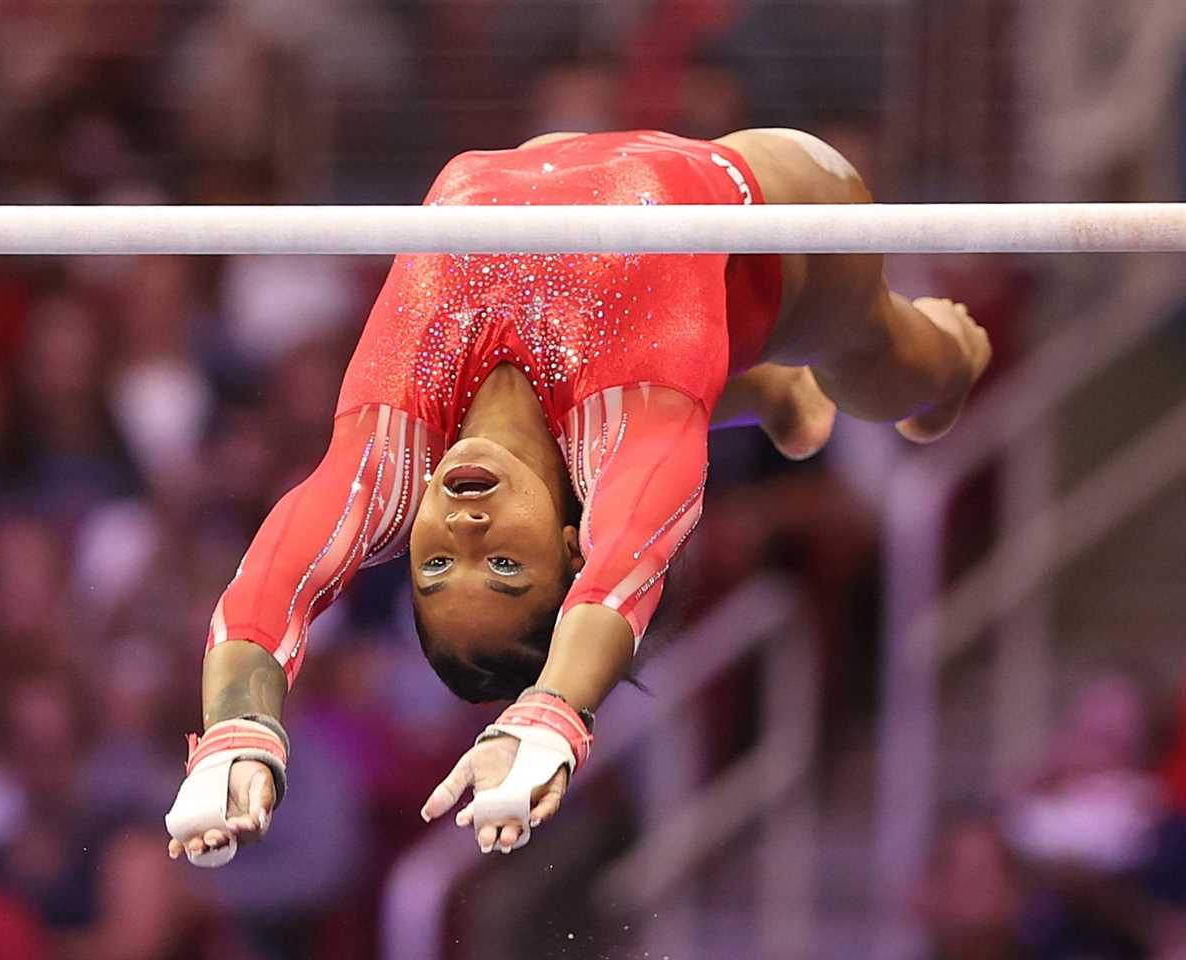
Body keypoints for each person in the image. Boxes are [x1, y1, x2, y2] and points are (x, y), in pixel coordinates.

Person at [166, 128, 991, 864]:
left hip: (568, 173)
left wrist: (238, 729)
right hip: (777, 231)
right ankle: (949, 358)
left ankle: (767, 394)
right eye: (502, 565)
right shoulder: (629, 436)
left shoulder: (392, 450)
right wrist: (552, 714)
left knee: (672, 376)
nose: (464, 525)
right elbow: (624, 572)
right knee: (883, 367)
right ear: (572, 546)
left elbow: (272, 588)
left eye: (438, 568)